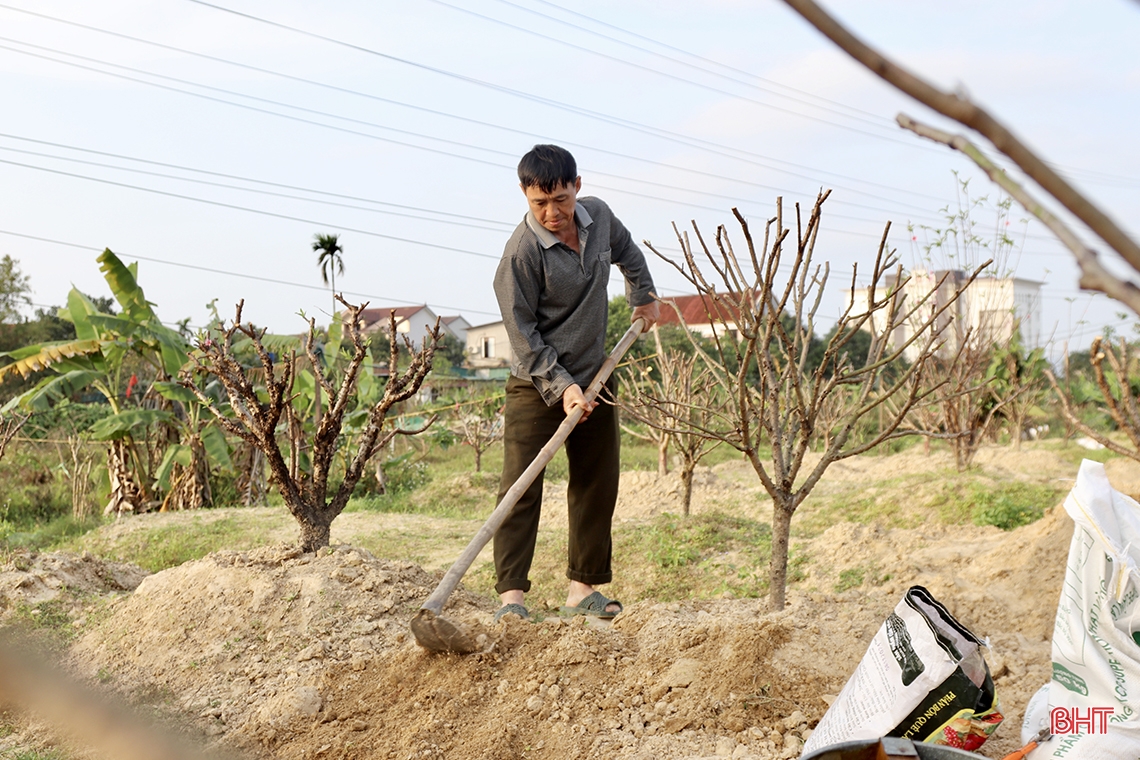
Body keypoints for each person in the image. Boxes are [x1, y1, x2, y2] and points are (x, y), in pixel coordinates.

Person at [491, 144, 659, 623]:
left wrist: (643, 297)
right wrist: (563, 387)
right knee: (520, 488)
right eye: (539, 203)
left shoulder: (599, 218)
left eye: (560, 200)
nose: (551, 213)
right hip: (536, 384)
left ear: (577, 189)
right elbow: (523, 336)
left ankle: (581, 590)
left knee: (596, 483)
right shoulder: (520, 255)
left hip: (596, 377)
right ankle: (512, 601)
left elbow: (628, 252)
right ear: (525, 195)